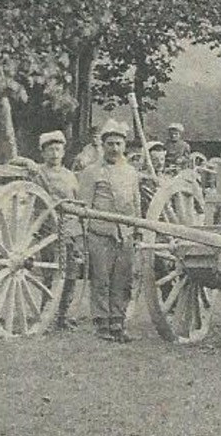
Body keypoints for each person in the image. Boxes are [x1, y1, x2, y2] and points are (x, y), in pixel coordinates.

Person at [80, 119, 141, 342]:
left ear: (124, 146)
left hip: (125, 233)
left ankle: (118, 322)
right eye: (110, 144)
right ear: (102, 146)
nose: (114, 148)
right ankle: (102, 325)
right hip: (100, 233)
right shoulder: (91, 172)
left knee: (122, 281)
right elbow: (83, 207)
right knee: (101, 280)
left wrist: (137, 230)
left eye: (118, 144)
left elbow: (136, 203)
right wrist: (83, 236)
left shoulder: (131, 172)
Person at [26, 130, 81, 330]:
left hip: (69, 230)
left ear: (64, 152)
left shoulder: (71, 176)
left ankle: (63, 316)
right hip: (47, 231)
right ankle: (46, 316)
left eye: (58, 149)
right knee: (50, 275)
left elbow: (77, 201)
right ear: (43, 153)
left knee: (71, 275)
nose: (54, 154)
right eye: (50, 150)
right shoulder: (37, 174)